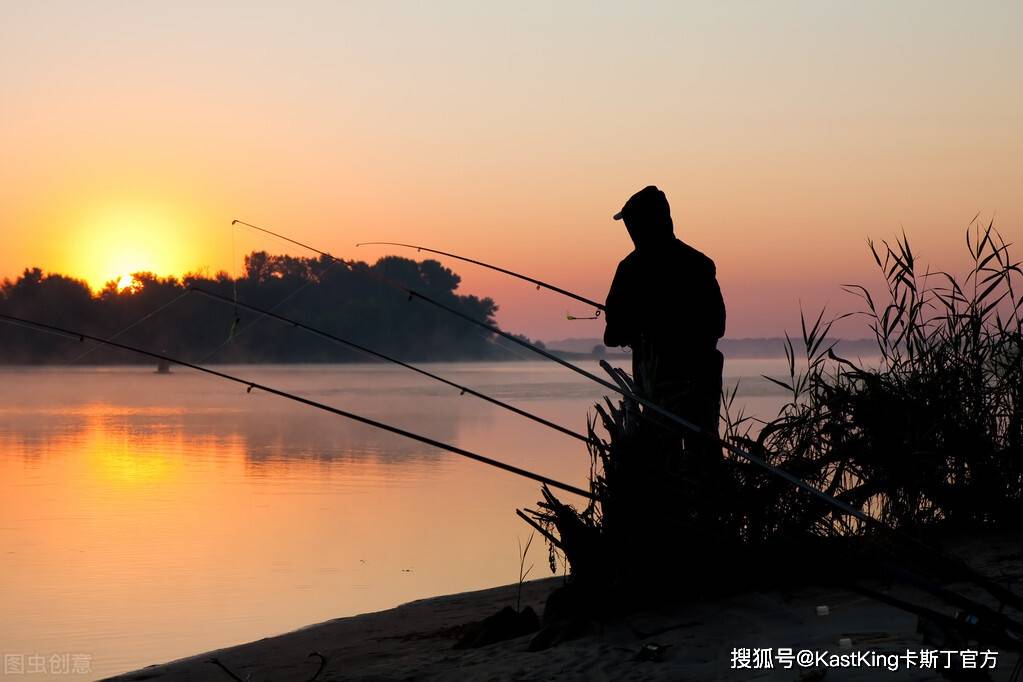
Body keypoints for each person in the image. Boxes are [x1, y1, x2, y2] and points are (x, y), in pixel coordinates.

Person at [603, 185, 726, 450]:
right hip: (703, 383)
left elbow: (612, 336)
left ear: (639, 226)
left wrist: (640, 328)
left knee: (662, 460)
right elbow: (718, 325)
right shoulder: (699, 264)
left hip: (658, 389)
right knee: (704, 454)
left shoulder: (630, 269)